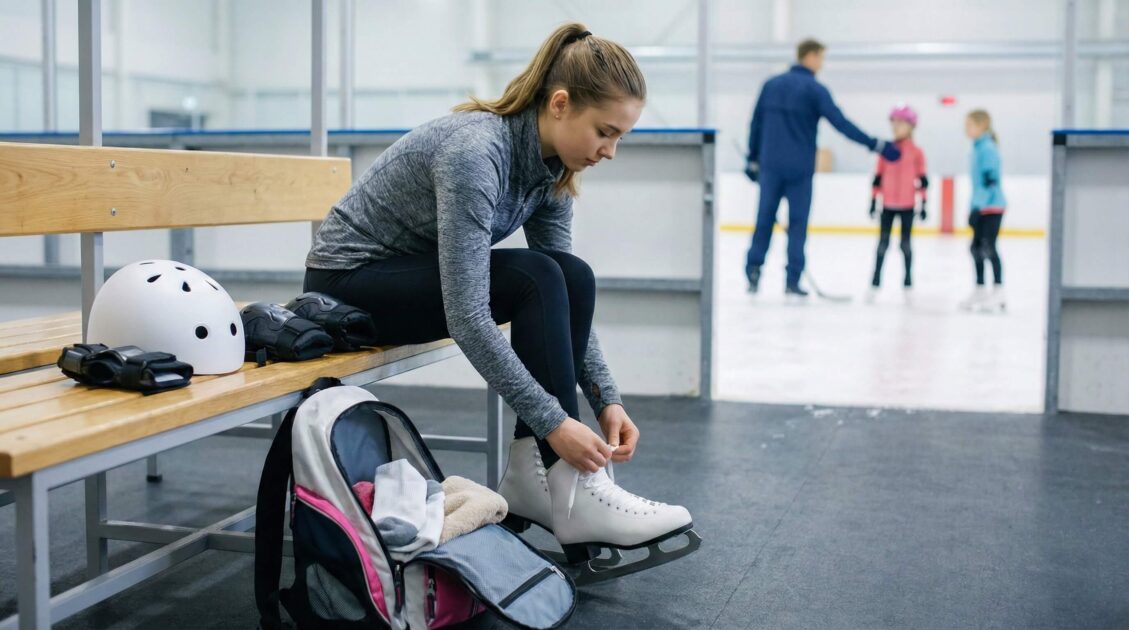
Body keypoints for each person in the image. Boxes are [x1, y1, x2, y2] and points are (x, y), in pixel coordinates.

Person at [303, 22, 697, 581]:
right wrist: (556, 423)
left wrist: (606, 398)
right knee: (535, 275)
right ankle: (562, 477)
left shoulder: (549, 168)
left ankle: (537, 478)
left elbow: (566, 287)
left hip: (402, 279)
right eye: (605, 132)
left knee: (568, 272)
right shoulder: (476, 152)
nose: (610, 151)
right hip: (345, 285)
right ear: (560, 104)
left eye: (620, 138)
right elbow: (468, 316)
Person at [744, 38, 903, 298]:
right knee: (797, 224)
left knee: (764, 220)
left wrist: (752, 158)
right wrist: (876, 144)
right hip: (799, 169)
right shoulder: (815, 90)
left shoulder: (771, 86)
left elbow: (756, 123)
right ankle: (792, 280)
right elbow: (841, 124)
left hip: (770, 166)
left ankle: (753, 273)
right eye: (821, 58)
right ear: (811, 56)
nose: (822, 64)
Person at [867, 104, 928, 302]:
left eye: (900, 123)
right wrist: (873, 200)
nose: (895, 126)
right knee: (882, 244)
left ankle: (908, 282)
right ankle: (875, 282)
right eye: (893, 122)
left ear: (911, 126)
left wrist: (924, 203)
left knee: (905, 245)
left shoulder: (916, 152)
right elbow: (878, 177)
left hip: (907, 206)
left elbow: (922, 179)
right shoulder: (887, 150)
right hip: (888, 205)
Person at [958, 109, 1007, 312]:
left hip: (992, 207)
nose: (966, 129)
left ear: (982, 126)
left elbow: (990, 181)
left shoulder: (987, 148)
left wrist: (979, 206)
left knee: (988, 247)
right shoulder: (978, 148)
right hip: (982, 206)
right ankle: (980, 288)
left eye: (969, 125)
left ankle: (998, 291)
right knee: (975, 248)